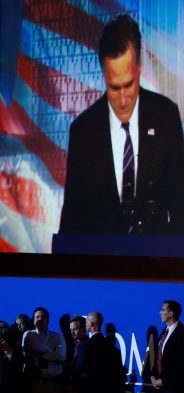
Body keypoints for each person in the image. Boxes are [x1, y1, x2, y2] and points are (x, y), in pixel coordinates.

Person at [59, 14, 184, 235]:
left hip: (158, 266)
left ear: (140, 68)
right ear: (103, 75)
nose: (123, 99)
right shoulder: (83, 132)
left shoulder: (166, 117)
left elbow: (180, 207)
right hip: (101, 266)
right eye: (114, 88)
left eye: (129, 85)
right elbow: (72, 222)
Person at [150, 300, 184, 393]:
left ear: (171, 314)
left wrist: (164, 381)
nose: (160, 313)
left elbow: (181, 366)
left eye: (163, 310)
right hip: (161, 392)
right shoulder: (164, 332)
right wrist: (153, 376)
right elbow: (159, 357)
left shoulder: (182, 334)